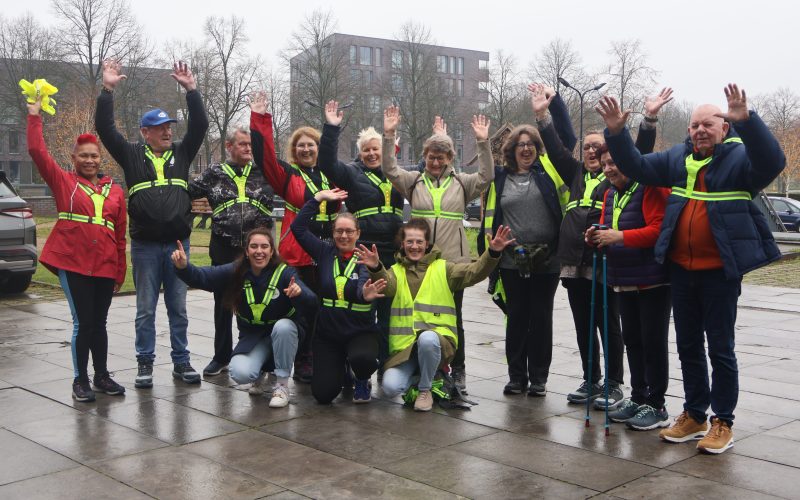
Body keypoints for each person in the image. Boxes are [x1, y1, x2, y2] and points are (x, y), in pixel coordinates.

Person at [597, 84, 785, 454]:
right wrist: (617, 132)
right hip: (681, 271)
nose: (700, 130)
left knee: (720, 348)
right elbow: (635, 166)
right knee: (687, 346)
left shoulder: (740, 161)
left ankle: (723, 421)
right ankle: (695, 414)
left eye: (708, 124)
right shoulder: (676, 160)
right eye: (694, 125)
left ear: (724, 128)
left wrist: (748, 120)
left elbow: (773, 161)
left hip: (719, 273)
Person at [531, 84, 672, 408]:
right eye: (589, 148)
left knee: (609, 324)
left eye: (599, 147)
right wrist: (542, 115)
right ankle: (590, 378)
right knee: (583, 326)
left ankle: (614, 382)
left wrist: (647, 121)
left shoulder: (617, 178)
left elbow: (640, 152)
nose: (593, 152)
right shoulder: (575, 173)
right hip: (573, 263)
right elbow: (554, 146)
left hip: (607, 266)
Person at [95, 59, 209, 388]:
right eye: (160, 128)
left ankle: (181, 362)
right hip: (145, 248)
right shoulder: (131, 155)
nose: (168, 131)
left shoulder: (183, 152)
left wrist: (192, 91)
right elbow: (105, 130)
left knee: (178, 308)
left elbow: (199, 125)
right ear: (145, 132)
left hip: (177, 247)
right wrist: (107, 90)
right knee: (145, 310)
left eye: (169, 127)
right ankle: (145, 364)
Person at [381, 106, 494, 393]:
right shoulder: (413, 181)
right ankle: (418, 364)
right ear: (425, 158)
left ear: (449, 159)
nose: (434, 162)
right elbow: (389, 169)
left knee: (452, 317)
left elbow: (486, 175)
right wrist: (389, 134)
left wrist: (483, 142)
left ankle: (457, 369)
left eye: (440, 157)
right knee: (415, 314)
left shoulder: (462, 183)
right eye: (430, 157)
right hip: (417, 262)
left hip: (451, 262)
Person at [27, 95, 127, 402]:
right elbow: (36, 151)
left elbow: (121, 235)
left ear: (101, 160)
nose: (89, 161)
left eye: (94, 156)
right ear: (73, 158)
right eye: (83, 156)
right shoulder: (63, 182)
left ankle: (101, 375)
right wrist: (34, 116)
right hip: (74, 264)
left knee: (100, 323)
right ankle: (80, 380)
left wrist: (120, 271)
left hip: (106, 266)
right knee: (83, 322)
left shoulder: (115, 191)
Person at [363, 219, 515, 411]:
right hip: (406, 349)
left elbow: (473, 272)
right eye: (409, 241)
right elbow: (387, 284)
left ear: (427, 244)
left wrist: (492, 252)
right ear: (402, 244)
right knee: (390, 387)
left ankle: (425, 390)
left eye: (419, 241)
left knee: (427, 339)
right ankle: (430, 377)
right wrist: (376, 267)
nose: (414, 246)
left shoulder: (444, 269)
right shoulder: (395, 272)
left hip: (438, 342)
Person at [250, 91, 341, 383]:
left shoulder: (330, 175)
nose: (306, 149)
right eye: (300, 146)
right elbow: (264, 157)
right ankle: (299, 359)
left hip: (327, 253)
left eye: (311, 145)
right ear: (294, 150)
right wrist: (261, 118)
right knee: (300, 308)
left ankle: (323, 356)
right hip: (298, 253)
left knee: (326, 308)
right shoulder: (287, 176)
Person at [171, 229, 317, 407]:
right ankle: (260, 371)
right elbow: (204, 277)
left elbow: (312, 303)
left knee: (284, 327)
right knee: (240, 373)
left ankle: (282, 385)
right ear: (247, 251)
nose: (259, 251)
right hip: (254, 337)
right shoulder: (236, 271)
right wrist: (184, 267)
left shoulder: (285, 273)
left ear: (272, 251)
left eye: (264, 246)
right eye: (253, 246)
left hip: (284, 336)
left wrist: (300, 293)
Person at [585, 145, 672, 430]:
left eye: (615, 162)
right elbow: (607, 228)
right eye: (606, 163)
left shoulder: (650, 188)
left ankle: (656, 404)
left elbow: (660, 230)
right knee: (633, 340)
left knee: (652, 342)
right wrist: (595, 235)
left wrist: (618, 236)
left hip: (652, 280)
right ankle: (638, 396)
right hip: (623, 279)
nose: (609, 168)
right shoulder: (610, 193)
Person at [477, 123, 564, 397]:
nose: (525, 149)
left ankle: (539, 378)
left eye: (531, 145)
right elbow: (484, 178)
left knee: (541, 318)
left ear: (538, 150)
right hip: (511, 261)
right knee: (516, 317)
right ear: (511, 150)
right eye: (520, 145)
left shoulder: (549, 174)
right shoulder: (500, 178)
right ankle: (517, 377)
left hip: (546, 259)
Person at [317, 100, 404, 370]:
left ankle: (388, 363)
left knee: (390, 313)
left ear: (384, 150)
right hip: (363, 253)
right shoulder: (353, 174)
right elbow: (328, 165)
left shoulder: (395, 174)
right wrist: (331, 128)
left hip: (392, 253)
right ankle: (357, 364)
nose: (371, 154)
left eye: (375, 149)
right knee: (361, 308)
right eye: (366, 150)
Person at [188, 125, 274, 377]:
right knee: (223, 302)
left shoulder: (264, 172)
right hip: (224, 246)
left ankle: (262, 356)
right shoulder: (215, 172)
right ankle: (222, 356)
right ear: (229, 147)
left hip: (257, 249)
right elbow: (186, 192)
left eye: (250, 145)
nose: (248, 148)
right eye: (243, 144)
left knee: (260, 299)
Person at [291, 189, 386, 404]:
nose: (344, 236)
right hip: (329, 333)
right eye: (339, 231)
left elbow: (365, 281)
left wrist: (364, 293)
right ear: (333, 233)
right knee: (323, 395)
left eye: (349, 231)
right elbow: (298, 228)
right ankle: (342, 369)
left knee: (362, 358)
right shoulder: (324, 252)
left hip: (360, 331)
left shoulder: (366, 258)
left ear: (358, 233)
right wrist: (316, 200)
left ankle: (362, 378)